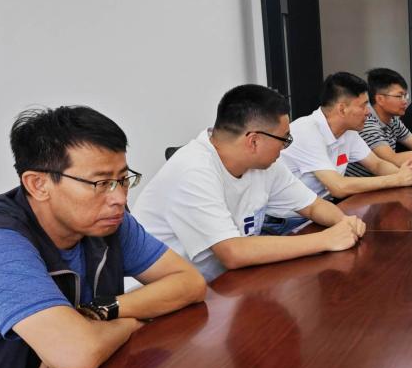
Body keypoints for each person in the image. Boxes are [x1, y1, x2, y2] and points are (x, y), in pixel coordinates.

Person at [0, 106, 206, 368]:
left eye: (123, 179)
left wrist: (99, 312)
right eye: (101, 183)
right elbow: (78, 352)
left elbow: (189, 282)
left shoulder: (106, 222)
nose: (119, 198)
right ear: (38, 184)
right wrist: (133, 322)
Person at [132, 84, 366, 282]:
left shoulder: (265, 165)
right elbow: (233, 253)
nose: (286, 146)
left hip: (225, 284)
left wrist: (345, 223)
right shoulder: (193, 170)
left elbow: (313, 206)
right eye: (285, 139)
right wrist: (326, 240)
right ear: (253, 141)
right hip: (165, 297)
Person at [281, 72, 412, 193]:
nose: (368, 112)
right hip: (292, 217)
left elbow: (377, 164)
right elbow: (338, 187)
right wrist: (397, 179)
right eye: (363, 106)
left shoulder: (348, 131)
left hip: (322, 206)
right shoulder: (306, 132)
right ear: (342, 109)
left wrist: (409, 175)